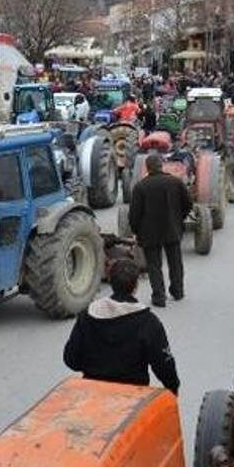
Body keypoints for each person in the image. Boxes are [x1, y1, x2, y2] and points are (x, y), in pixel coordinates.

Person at [62, 259, 180, 394]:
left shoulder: (87, 316)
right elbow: (164, 364)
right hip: (132, 397)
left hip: (93, 396)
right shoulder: (148, 322)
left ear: (110, 281)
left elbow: (71, 359)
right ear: (135, 286)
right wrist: (173, 387)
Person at [129, 154, 192, 308]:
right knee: (175, 262)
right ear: (161, 166)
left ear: (147, 168)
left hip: (149, 233)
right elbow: (188, 204)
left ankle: (159, 296)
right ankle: (178, 291)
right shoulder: (175, 182)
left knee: (154, 265)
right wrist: (179, 219)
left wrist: (136, 230)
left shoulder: (140, 187)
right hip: (172, 229)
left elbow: (134, 214)